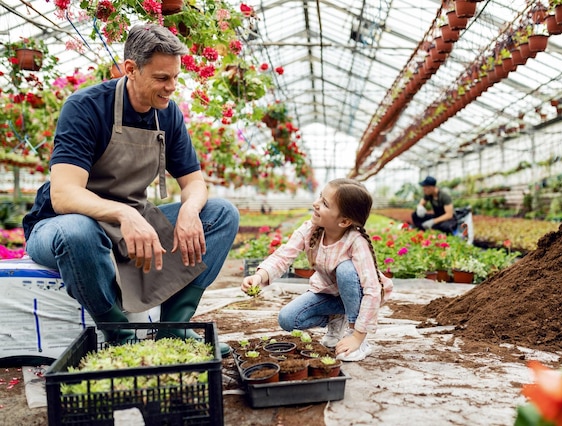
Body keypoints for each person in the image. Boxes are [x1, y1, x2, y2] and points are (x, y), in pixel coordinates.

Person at [22, 24, 239, 345]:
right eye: (162, 79)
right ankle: (120, 337)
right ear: (130, 69)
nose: (171, 87)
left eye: (175, 78)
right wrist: (126, 215)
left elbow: (194, 182)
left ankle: (175, 328)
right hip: (59, 228)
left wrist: (191, 211)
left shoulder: (167, 114)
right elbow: (64, 195)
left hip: (131, 224)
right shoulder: (86, 107)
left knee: (221, 213)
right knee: (77, 231)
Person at [240, 178, 393, 362]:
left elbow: (372, 289)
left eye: (325, 203)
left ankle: (357, 337)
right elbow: (283, 256)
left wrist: (357, 336)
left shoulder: (356, 242)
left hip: (358, 295)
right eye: (320, 197)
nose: (316, 203)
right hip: (329, 294)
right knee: (288, 319)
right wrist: (259, 276)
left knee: (345, 270)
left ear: (344, 221)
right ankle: (337, 318)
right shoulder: (310, 230)